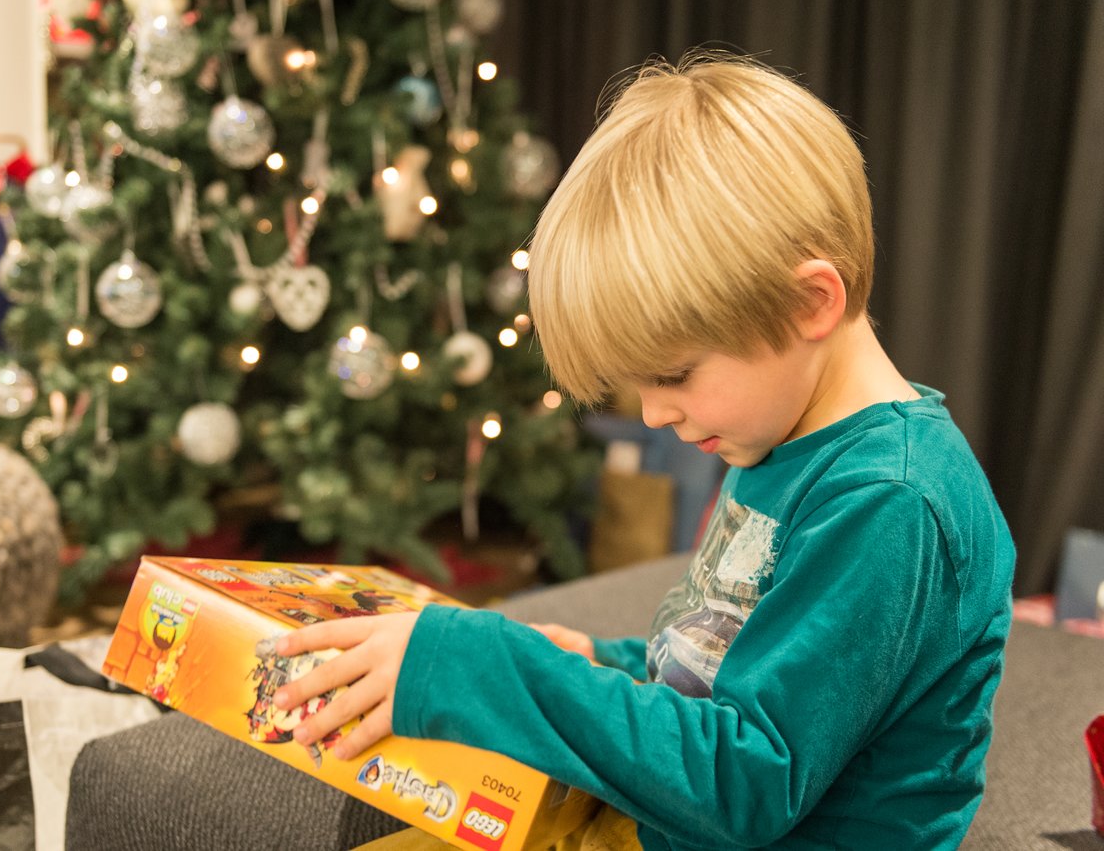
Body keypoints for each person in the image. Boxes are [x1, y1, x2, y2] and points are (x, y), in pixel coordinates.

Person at [271, 51, 1016, 849]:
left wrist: (493, 669)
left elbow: (745, 783)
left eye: (673, 374)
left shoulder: (889, 503)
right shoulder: (776, 431)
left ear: (811, 303)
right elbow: (733, 655)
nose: (656, 413)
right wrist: (605, 663)